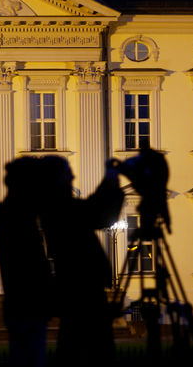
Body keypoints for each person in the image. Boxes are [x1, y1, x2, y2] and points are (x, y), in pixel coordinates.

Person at [39, 155, 124, 366]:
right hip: (81, 290)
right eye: (68, 172)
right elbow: (100, 215)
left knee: (73, 349)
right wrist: (112, 182)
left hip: (76, 289)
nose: (73, 176)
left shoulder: (57, 207)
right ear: (57, 179)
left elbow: (91, 208)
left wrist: (109, 181)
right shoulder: (58, 208)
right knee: (93, 352)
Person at [0, 157, 53, 367]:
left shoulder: (15, 214)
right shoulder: (18, 218)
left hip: (24, 305)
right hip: (28, 304)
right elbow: (30, 266)